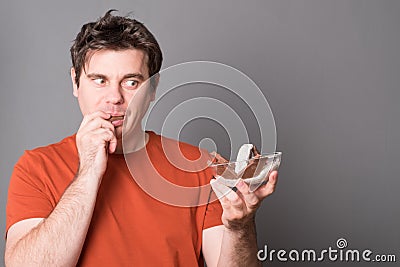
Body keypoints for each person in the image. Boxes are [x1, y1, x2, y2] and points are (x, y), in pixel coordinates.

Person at [4, 10, 278, 266]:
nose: (115, 98)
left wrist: (239, 226)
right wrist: (88, 170)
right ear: (75, 82)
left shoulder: (200, 167)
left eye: (131, 82)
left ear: (153, 88)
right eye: (99, 80)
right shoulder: (36, 168)